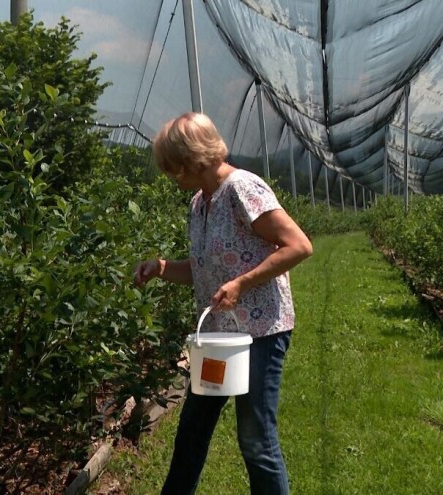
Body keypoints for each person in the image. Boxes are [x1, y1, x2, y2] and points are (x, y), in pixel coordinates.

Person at [134, 112, 313, 495]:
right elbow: (203, 270)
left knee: (255, 439)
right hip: (218, 337)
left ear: (189, 161)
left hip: (261, 333)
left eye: (171, 167)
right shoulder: (201, 202)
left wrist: (243, 283)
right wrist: (161, 268)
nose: (170, 176)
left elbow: (299, 245)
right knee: (192, 430)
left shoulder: (242, 189)